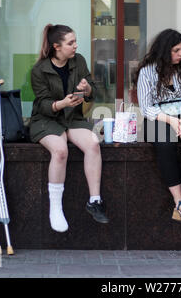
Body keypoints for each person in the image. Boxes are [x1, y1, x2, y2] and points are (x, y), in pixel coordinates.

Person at [29, 24, 109, 232]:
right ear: (57, 46)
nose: (75, 46)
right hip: (46, 119)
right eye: (70, 43)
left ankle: (95, 201)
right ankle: (55, 207)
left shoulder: (78, 60)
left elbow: (91, 92)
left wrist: (86, 88)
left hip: (72, 117)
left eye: (75, 42)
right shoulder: (39, 70)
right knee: (60, 151)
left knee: (93, 144)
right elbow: (44, 104)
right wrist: (62, 104)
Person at [134, 29, 181, 226]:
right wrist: (171, 121)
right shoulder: (147, 71)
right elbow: (146, 107)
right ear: (164, 50)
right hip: (158, 118)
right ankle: (177, 200)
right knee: (164, 143)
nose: (180, 54)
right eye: (176, 50)